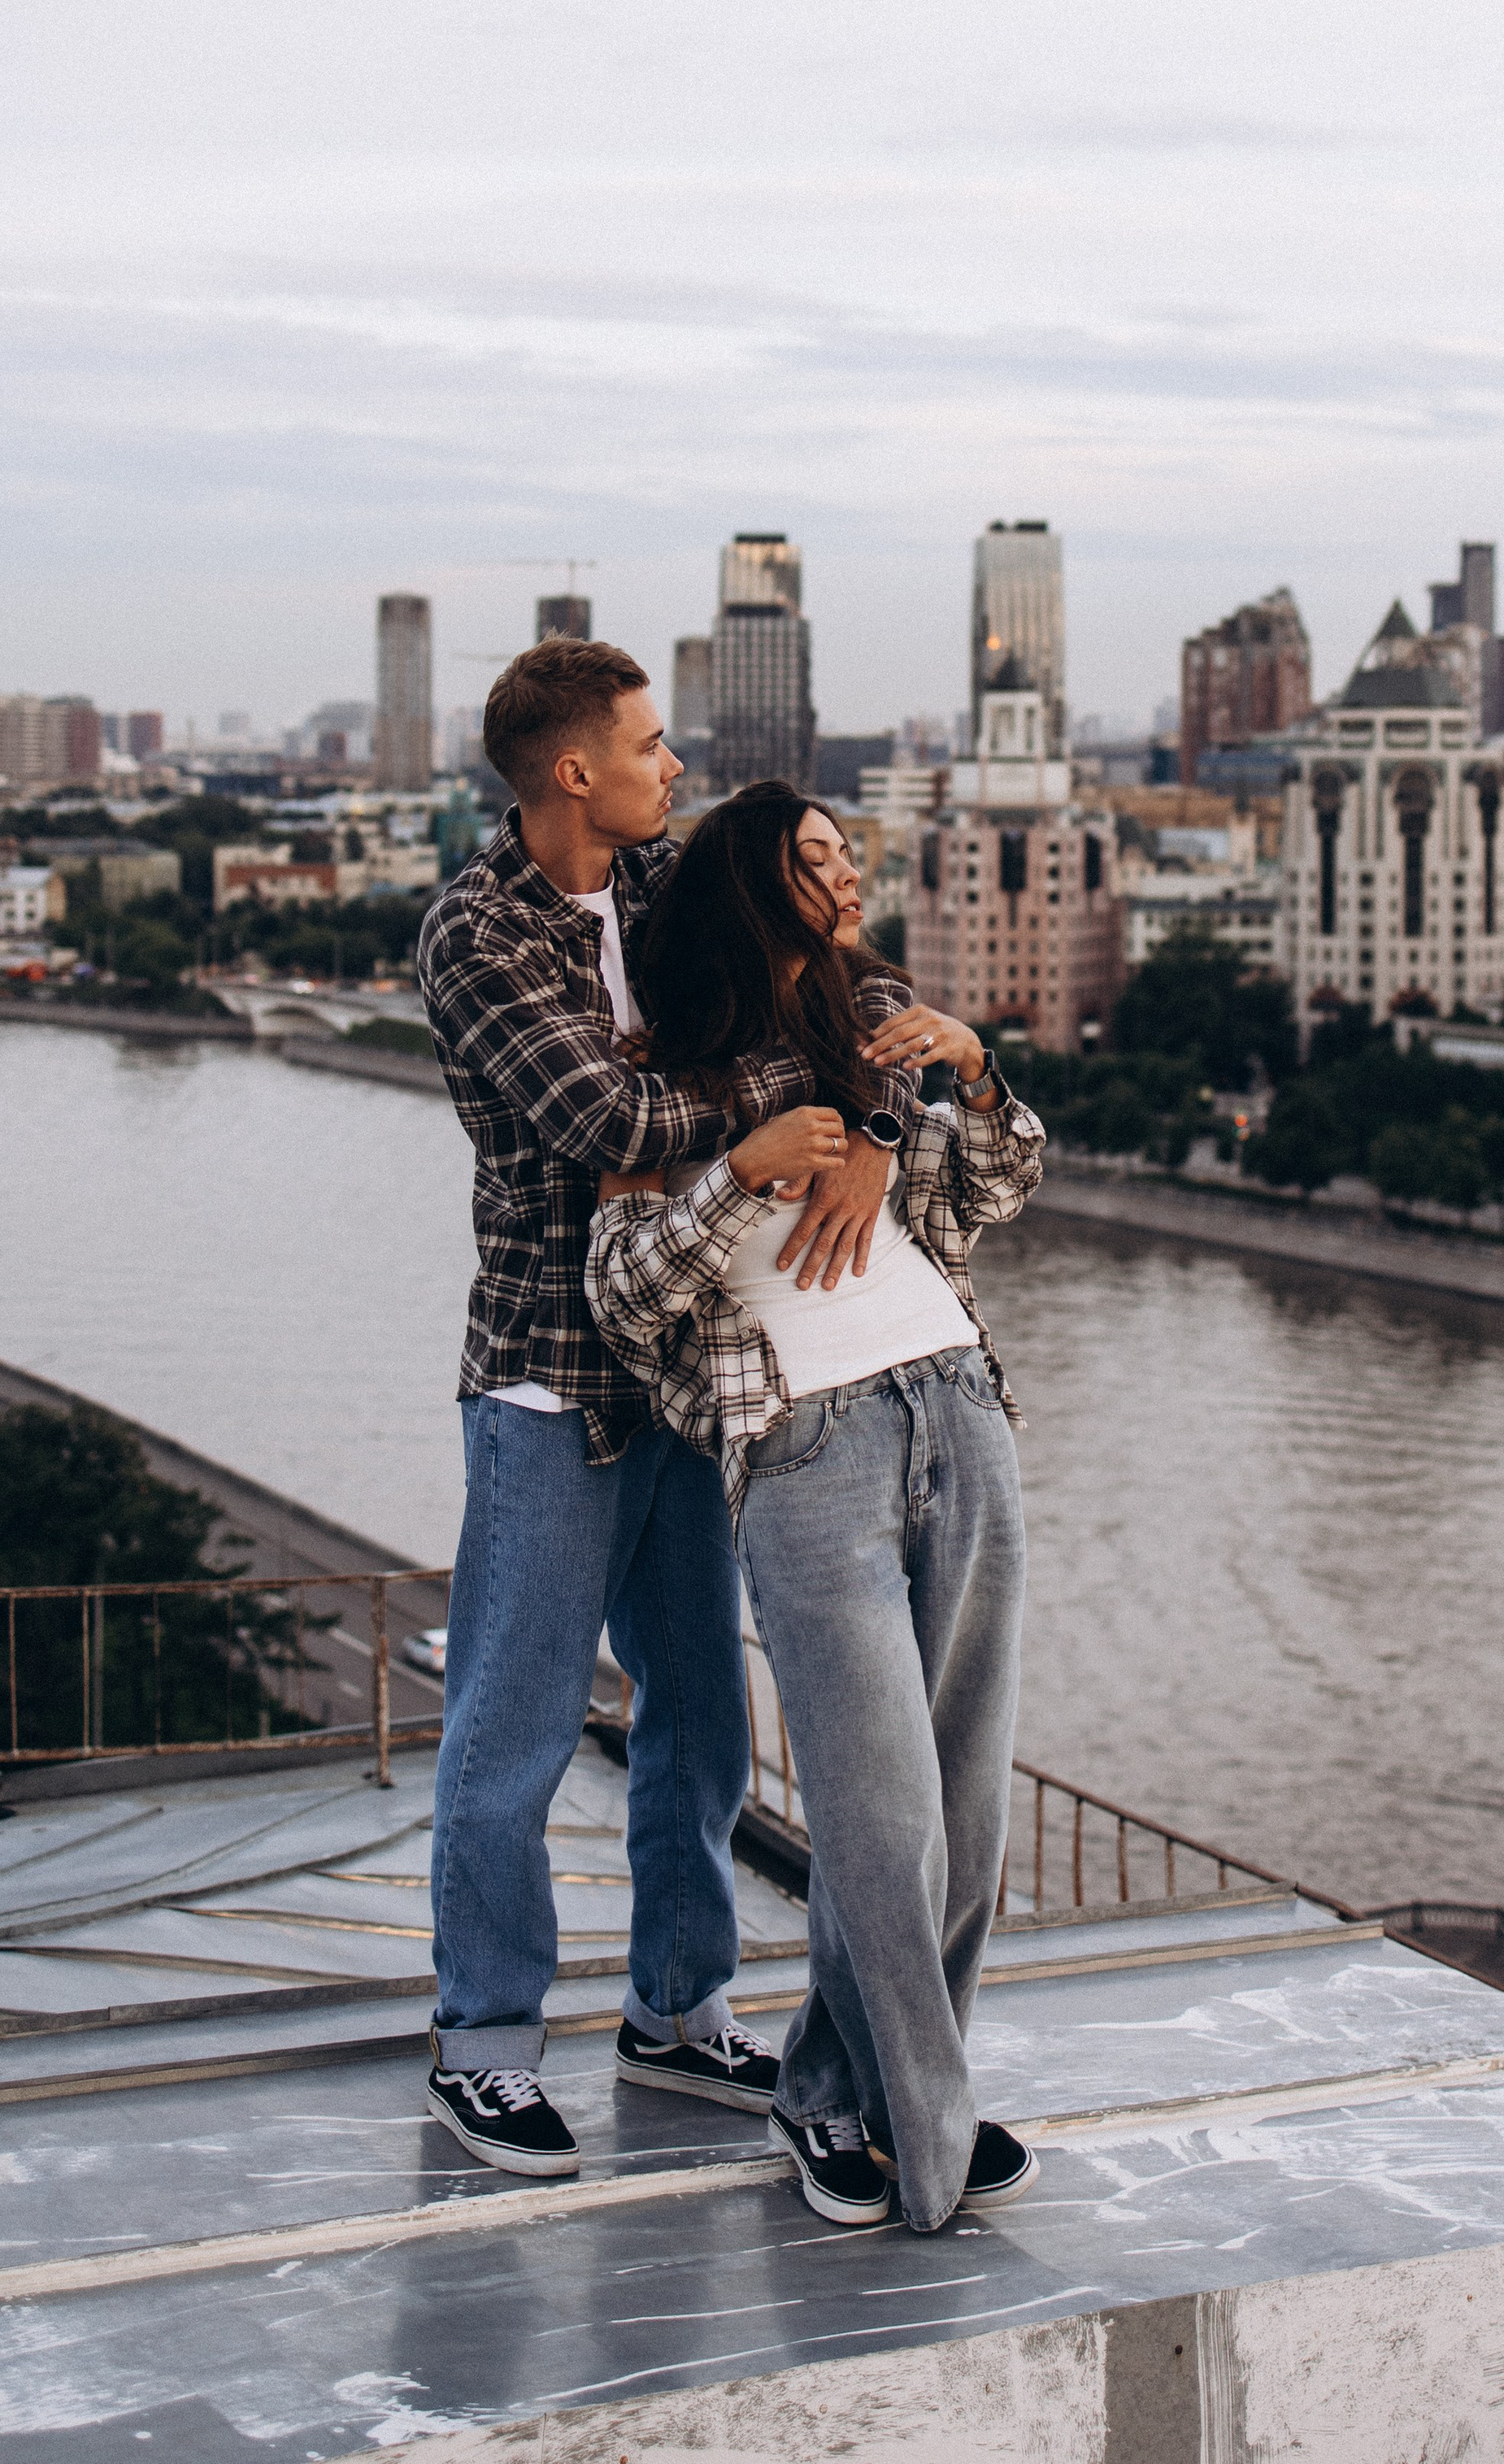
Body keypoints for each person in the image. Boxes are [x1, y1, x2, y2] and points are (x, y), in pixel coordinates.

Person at [415, 642, 916, 2179]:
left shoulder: (662, 886)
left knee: (702, 1713)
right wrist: (763, 1121)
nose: (673, 766)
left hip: (690, 1367)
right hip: (550, 1382)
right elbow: (603, 1118)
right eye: (646, 745)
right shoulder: (475, 933)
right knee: (514, 1722)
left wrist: (872, 1125)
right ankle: (484, 2041)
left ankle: (676, 2009)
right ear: (575, 771)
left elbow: (839, 982)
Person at [585, 780, 1045, 2234]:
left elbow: (991, 1196)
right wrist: (748, 1169)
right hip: (806, 1446)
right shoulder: (656, 1069)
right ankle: (935, 2128)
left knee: (963, 1810)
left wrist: (971, 1078)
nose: (849, 874)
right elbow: (622, 1292)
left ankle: (838, 2096)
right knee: (875, 1810)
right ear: (752, 882)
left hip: (959, 1407)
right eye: (818, 855)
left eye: (852, 851)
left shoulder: (880, 1025)